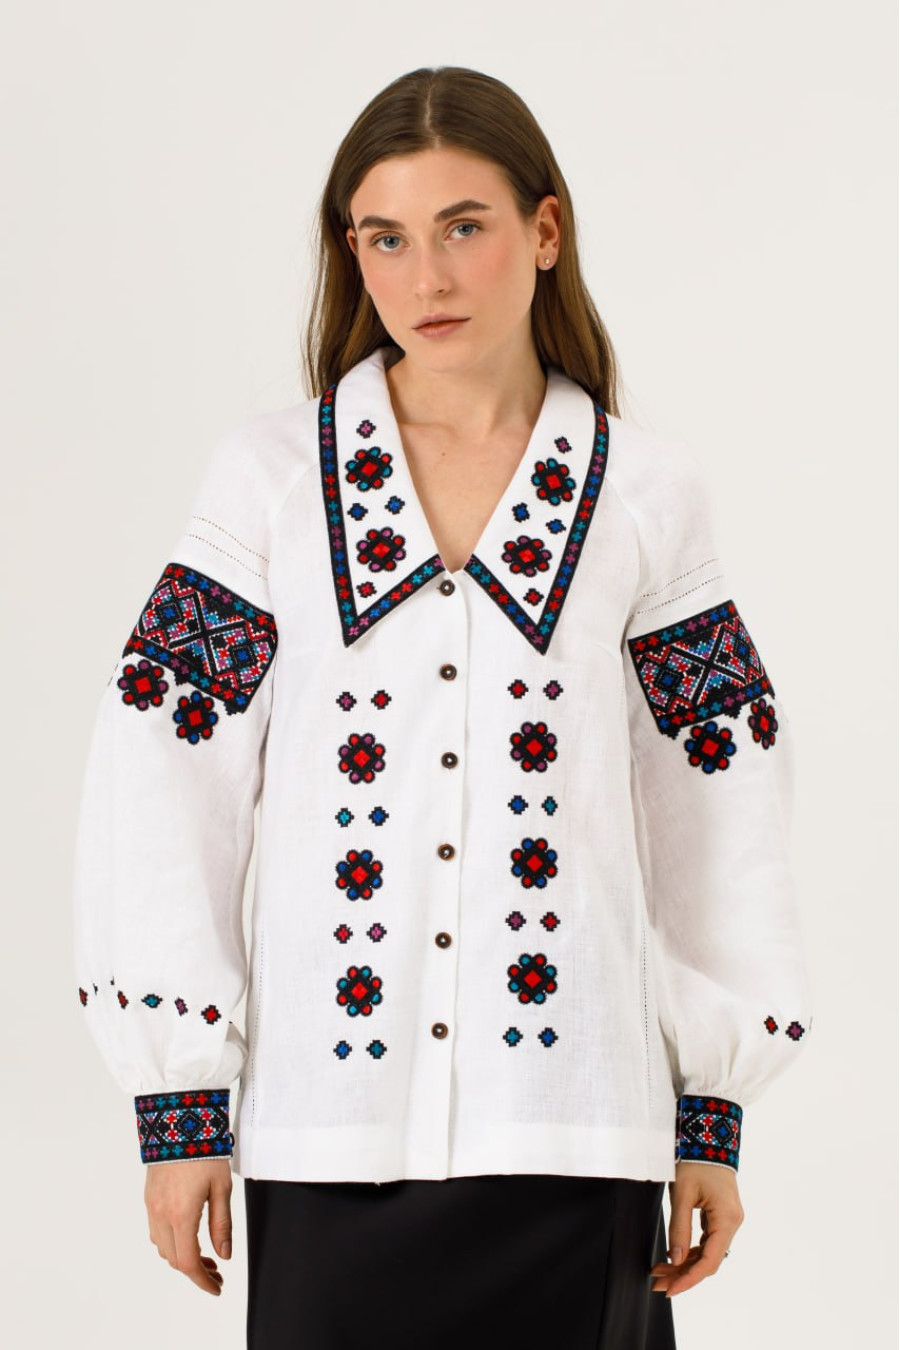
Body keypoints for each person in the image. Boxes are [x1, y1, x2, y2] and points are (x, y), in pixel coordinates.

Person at [72, 65, 813, 1349]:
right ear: (351, 253)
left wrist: (714, 1112)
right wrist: (178, 1106)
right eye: (387, 239)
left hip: (574, 1137)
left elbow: (719, 802)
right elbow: (163, 778)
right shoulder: (269, 485)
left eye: (464, 226)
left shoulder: (645, 496)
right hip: (326, 1138)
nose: (428, 276)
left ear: (544, 229)